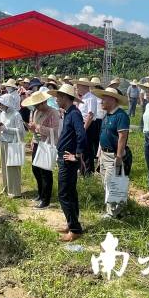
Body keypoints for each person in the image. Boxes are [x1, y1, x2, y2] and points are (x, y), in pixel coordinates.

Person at [47, 84, 87, 242]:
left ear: (65, 97)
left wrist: (77, 156)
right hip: (64, 157)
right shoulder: (69, 113)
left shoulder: (74, 114)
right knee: (70, 192)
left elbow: (81, 134)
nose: (56, 99)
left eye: (58, 97)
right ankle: (72, 223)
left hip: (68, 159)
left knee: (64, 194)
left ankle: (75, 229)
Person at [93, 87, 130, 218]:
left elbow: (122, 137)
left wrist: (119, 157)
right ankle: (113, 208)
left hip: (114, 156)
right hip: (104, 154)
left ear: (113, 100)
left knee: (114, 182)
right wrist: (99, 154)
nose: (101, 101)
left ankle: (114, 212)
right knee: (106, 181)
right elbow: (103, 135)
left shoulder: (121, 116)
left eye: (104, 98)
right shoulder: (107, 115)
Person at [23, 90, 60, 209]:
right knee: (35, 169)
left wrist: (38, 127)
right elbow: (34, 128)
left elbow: (54, 131)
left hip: (47, 144)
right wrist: (32, 132)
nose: (36, 107)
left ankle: (46, 199)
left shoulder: (53, 112)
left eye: (38, 104)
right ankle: (40, 193)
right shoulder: (36, 111)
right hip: (38, 142)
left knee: (45, 172)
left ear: (44, 102)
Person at [0, 94, 26, 198]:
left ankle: (15, 191)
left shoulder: (16, 115)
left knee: (13, 167)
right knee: (4, 166)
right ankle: (6, 187)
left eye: (1, 103)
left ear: (7, 103)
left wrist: (6, 129)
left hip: (13, 144)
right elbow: (2, 126)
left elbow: (21, 131)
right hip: (3, 142)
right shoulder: (2, 114)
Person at [72, 77, 99, 176]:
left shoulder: (91, 98)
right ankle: (83, 169)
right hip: (83, 124)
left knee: (87, 148)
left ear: (84, 86)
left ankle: (88, 171)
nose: (77, 89)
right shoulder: (83, 97)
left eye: (78, 87)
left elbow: (90, 115)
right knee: (82, 147)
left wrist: (84, 129)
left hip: (88, 125)